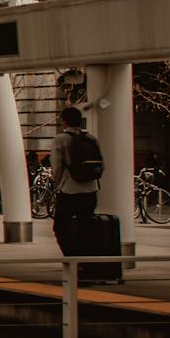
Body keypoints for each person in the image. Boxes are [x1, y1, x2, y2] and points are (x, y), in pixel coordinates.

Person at [50, 106, 115, 283]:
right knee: (86, 227)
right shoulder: (92, 139)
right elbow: (102, 165)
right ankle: (87, 264)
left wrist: (59, 183)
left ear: (64, 121)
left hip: (69, 190)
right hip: (90, 190)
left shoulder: (60, 139)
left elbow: (56, 167)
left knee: (60, 227)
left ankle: (73, 260)